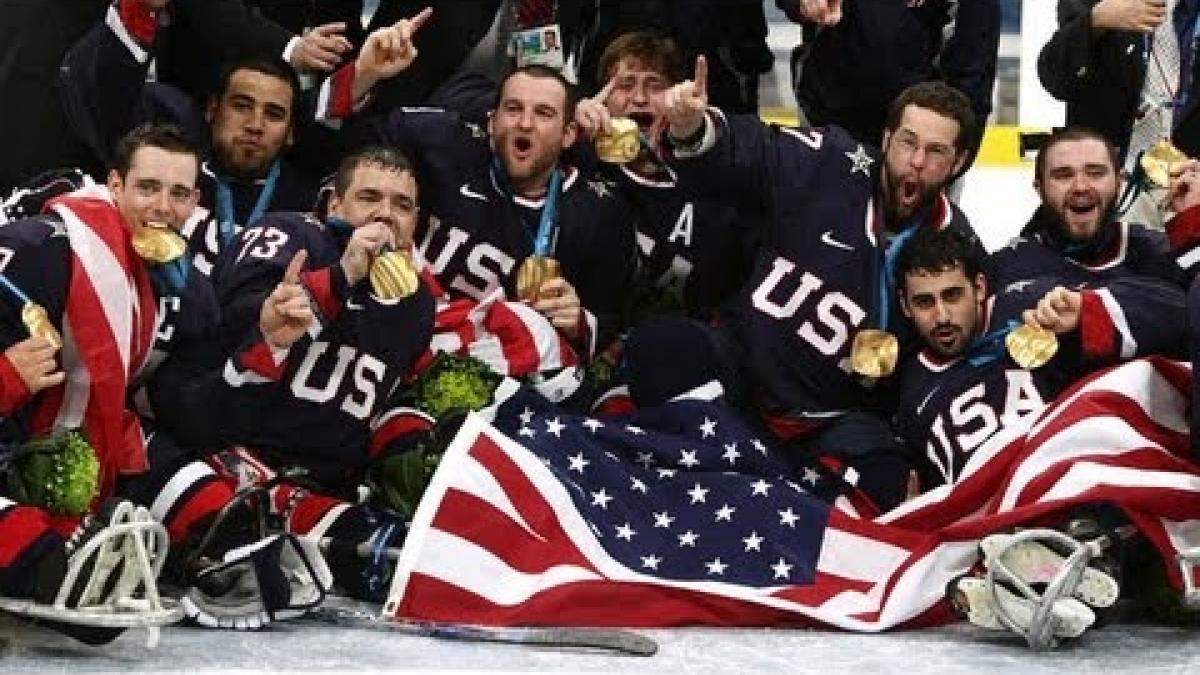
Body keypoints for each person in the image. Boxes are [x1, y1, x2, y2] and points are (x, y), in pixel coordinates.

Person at [633, 69, 984, 513]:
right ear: (886, 136)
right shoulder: (830, 162)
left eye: (935, 152)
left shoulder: (960, 248)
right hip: (740, 369)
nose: (916, 162)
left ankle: (762, 492)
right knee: (663, 346)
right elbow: (752, 151)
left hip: (831, 418)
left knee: (890, 482)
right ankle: (739, 485)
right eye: (907, 142)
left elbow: (968, 347)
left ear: (958, 162)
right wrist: (694, 129)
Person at [891, 226, 1190, 645]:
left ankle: (1075, 566)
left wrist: (1087, 310)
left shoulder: (1031, 305)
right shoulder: (908, 393)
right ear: (904, 306)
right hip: (1002, 518)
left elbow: (1177, 311)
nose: (941, 316)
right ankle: (1038, 577)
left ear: (978, 287)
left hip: (1076, 487)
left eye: (952, 295)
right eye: (924, 302)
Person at [170, 145, 435, 615]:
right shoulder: (289, 237)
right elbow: (236, 328)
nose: (385, 216)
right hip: (232, 462)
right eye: (370, 197)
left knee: (424, 554)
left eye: (403, 205)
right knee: (389, 561)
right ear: (334, 204)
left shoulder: (416, 303)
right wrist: (342, 275)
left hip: (324, 487)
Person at [317, 16, 638, 366]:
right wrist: (366, 73)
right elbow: (337, 148)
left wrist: (579, 323)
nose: (525, 123)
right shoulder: (440, 142)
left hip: (492, 368)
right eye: (513, 109)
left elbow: (610, 317)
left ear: (569, 135)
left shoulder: (599, 213)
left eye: (544, 114)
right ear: (490, 119)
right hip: (386, 332)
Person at [60, 0, 335, 277]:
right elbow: (110, 99)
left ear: (291, 132)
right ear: (212, 110)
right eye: (241, 106)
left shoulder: (306, 207)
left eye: (274, 114)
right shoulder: (166, 172)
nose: (255, 125)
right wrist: (139, 10)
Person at [571, 31, 758, 323]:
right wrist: (567, 131)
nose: (640, 98)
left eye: (654, 84)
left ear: (676, 96)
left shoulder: (712, 173)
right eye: (625, 84)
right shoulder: (576, 162)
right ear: (602, 99)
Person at [778, 0, 1001, 173]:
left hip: (922, 144)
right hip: (826, 121)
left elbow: (975, 57)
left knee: (915, 230)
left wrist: (958, 153)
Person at [988, 127, 1185, 291]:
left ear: (1119, 182)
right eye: (1063, 175)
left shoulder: (1162, 255)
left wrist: (1192, 225)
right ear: (1039, 188)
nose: (1080, 187)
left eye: (1096, 173)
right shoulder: (1006, 267)